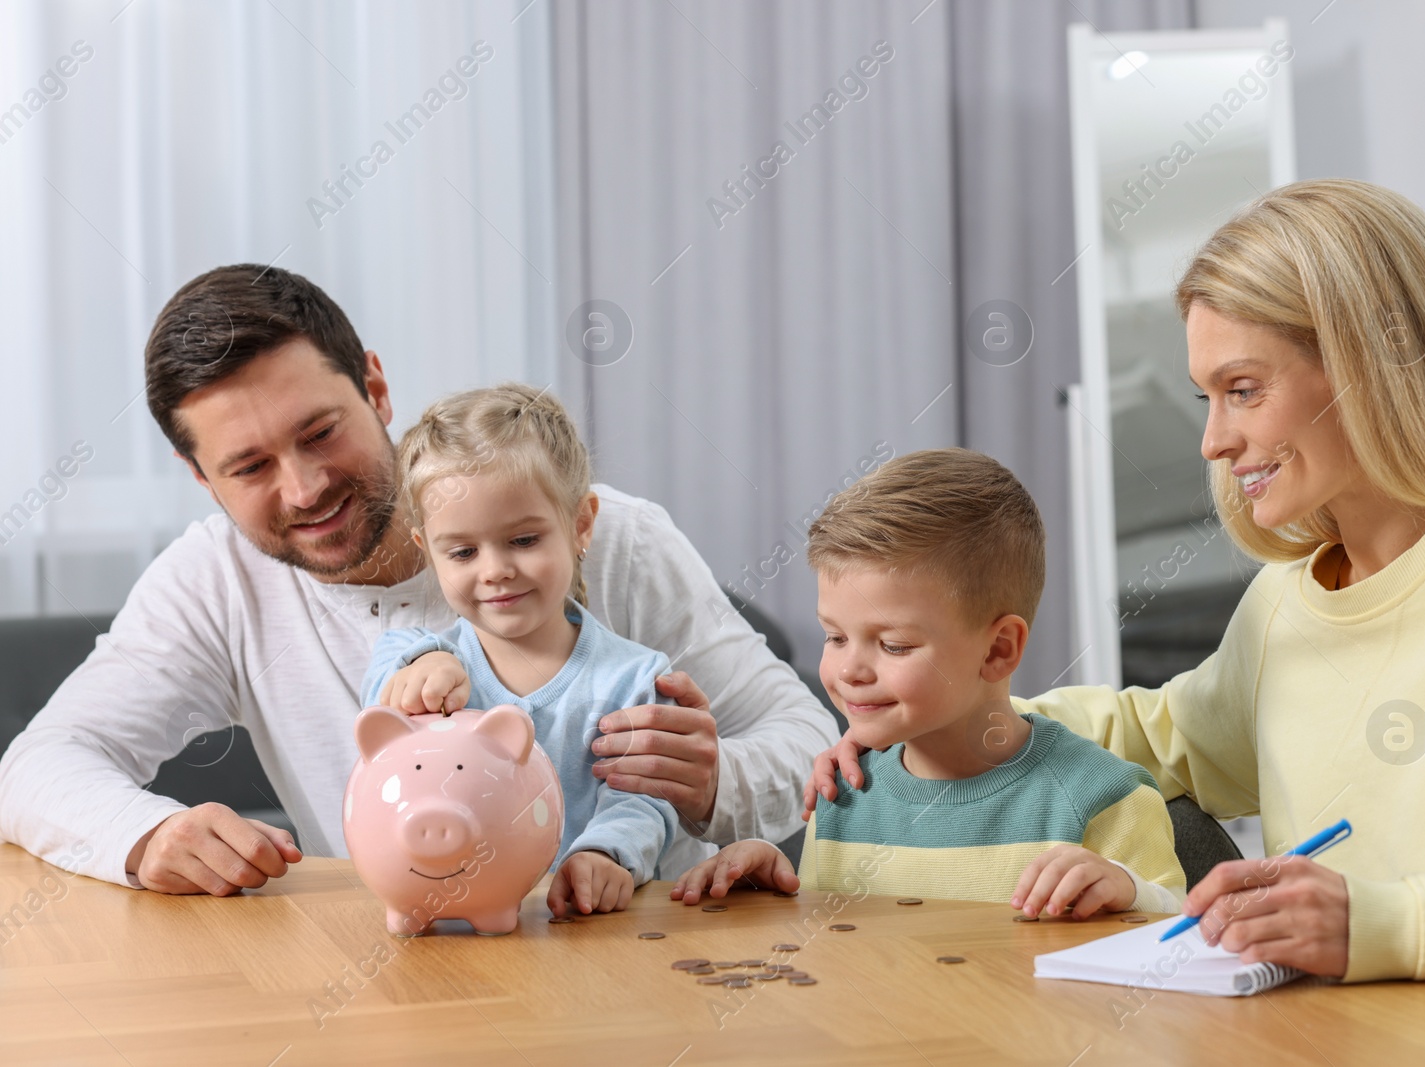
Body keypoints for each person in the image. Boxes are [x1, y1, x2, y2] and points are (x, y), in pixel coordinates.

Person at [804, 179, 1425, 982]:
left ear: (1369, 366)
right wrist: (922, 709)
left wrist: (1390, 922)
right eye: (1207, 397)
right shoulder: (1288, 603)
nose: (1213, 440)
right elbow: (1161, 736)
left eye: (1244, 390)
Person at [0, 265, 838, 895]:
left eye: (321, 431)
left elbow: (805, 733)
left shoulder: (605, 534)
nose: (303, 488)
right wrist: (147, 834)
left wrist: (716, 782)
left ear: (376, 385)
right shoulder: (212, 582)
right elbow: (39, 764)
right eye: (249, 465)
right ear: (200, 478)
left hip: (649, 958)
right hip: (412, 971)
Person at [673, 450, 1185, 917]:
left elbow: (1181, 952)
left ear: (998, 649)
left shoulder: (1105, 799)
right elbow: (838, 963)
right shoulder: (844, 793)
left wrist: (1129, 892)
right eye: (834, 637)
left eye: (893, 646)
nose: (850, 670)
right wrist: (778, 889)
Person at [363, 384, 678, 917]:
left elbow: (642, 800)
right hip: (460, 921)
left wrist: (606, 854)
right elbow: (384, 717)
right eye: (463, 551)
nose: (495, 570)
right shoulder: (416, 658)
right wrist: (423, 665)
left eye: (524, 541)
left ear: (580, 525)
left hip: (585, 929)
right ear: (429, 552)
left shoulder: (633, 679)